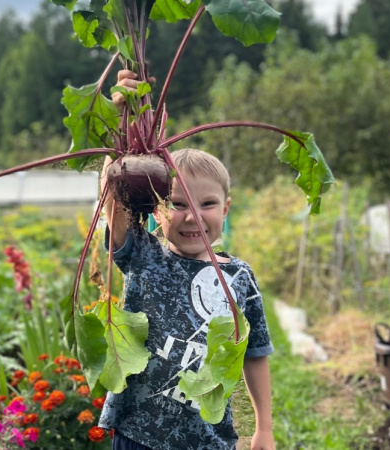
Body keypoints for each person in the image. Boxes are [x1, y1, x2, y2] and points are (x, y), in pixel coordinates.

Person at [96, 70, 275, 450]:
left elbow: (255, 353)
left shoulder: (240, 277)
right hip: (138, 433)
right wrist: (121, 124)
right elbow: (115, 194)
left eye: (206, 204)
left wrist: (265, 428)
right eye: (177, 205)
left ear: (226, 208)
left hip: (207, 439)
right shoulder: (145, 256)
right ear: (156, 212)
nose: (192, 216)